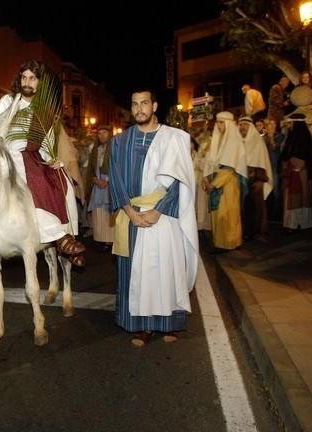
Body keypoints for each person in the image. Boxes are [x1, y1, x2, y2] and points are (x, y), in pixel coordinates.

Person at [109, 89, 198, 347]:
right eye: (135, 104)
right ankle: (142, 326)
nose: (139, 108)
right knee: (138, 274)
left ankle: (168, 323)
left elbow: (180, 181)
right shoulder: (119, 141)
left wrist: (159, 210)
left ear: (154, 105)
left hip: (164, 216)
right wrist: (130, 213)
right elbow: (116, 178)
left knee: (166, 271)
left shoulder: (174, 138)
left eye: (144, 103)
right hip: (133, 216)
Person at [0, 59, 85, 266]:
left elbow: (47, 141)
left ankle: (69, 237)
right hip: (11, 153)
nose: (27, 82)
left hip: (36, 154)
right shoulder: (8, 101)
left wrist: (53, 159)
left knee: (64, 181)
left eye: (32, 78)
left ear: (39, 82)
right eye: (24, 77)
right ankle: (58, 236)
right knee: (35, 180)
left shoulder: (46, 109)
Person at [203, 111, 248, 250]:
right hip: (216, 181)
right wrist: (206, 178)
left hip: (228, 184)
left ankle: (229, 243)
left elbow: (230, 167)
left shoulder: (234, 141)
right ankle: (219, 242)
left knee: (227, 214)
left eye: (222, 122)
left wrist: (215, 184)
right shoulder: (217, 140)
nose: (219, 125)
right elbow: (210, 162)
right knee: (218, 214)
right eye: (218, 122)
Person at [278, 114, 312, 230]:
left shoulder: (305, 140)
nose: (289, 126)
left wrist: (299, 165)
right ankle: (292, 223)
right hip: (290, 175)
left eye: (290, 123)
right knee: (291, 199)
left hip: (301, 175)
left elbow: (309, 158)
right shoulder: (289, 139)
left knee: (302, 198)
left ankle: (303, 223)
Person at [237, 117, 273, 241]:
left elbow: (262, 161)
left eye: (245, 125)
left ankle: (258, 232)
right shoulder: (237, 142)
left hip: (256, 180)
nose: (242, 127)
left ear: (250, 126)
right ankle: (245, 231)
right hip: (241, 179)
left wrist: (259, 180)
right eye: (240, 125)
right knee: (243, 207)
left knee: (257, 207)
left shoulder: (257, 141)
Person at [85, 124, 114, 248]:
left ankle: (110, 240)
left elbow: (118, 168)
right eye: (99, 133)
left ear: (110, 134)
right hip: (97, 185)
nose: (102, 135)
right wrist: (95, 179)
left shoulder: (115, 148)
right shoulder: (95, 149)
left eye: (104, 132)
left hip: (110, 186)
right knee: (99, 213)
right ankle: (101, 239)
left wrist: (107, 181)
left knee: (109, 213)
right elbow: (91, 168)